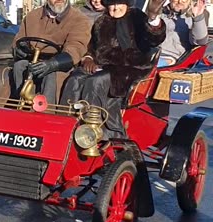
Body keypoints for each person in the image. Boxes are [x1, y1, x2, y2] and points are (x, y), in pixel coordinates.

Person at [60, 0, 167, 140]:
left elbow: (154, 38)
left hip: (131, 68)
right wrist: (88, 58)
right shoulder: (101, 21)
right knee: (74, 78)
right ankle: (65, 122)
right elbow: (92, 47)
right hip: (103, 66)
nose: (115, 8)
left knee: (95, 82)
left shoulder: (137, 17)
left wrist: (153, 17)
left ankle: (93, 130)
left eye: (119, 4)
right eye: (111, 4)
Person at [9, 0, 92, 104]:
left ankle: (47, 111)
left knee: (51, 75)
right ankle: (18, 106)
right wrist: (19, 50)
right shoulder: (32, 16)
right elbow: (18, 40)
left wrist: (53, 64)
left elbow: (76, 48)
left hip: (62, 66)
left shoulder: (79, 19)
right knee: (19, 66)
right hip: (33, 60)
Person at [157, 0, 209, 67]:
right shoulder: (159, 11)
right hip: (152, 54)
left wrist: (198, 18)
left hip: (174, 58)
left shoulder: (197, 12)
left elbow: (200, 41)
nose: (180, 2)